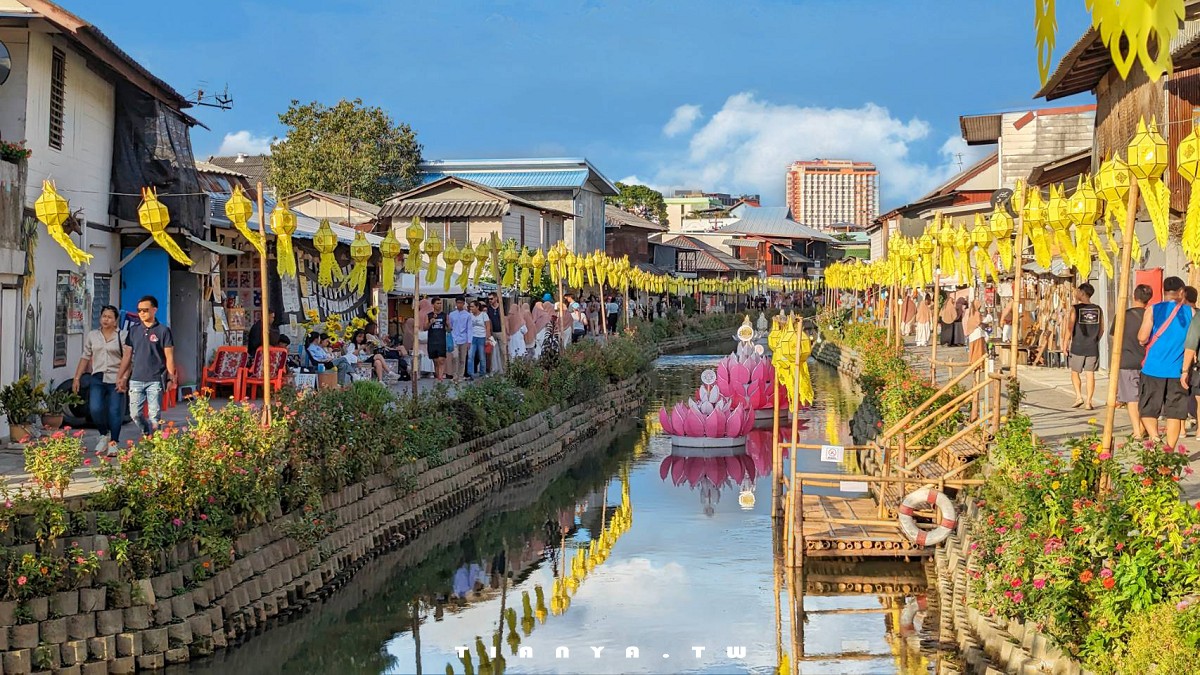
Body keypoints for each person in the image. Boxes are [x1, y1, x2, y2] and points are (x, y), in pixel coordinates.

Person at [1139, 276, 1192, 448]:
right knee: (1175, 413)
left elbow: (1142, 337)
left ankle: (1154, 438)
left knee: (1148, 408)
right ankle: (1169, 448)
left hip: (1153, 368)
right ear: (1181, 292)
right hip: (1177, 370)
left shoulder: (1153, 310)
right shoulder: (1190, 313)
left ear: (1163, 291)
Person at [116, 295, 176, 438]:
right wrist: (121, 376)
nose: (142, 313)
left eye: (145, 310)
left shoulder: (163, 331)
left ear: (154, 310)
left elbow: (169, 356)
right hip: (136, 378)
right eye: (139, 310)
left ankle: (155, 444)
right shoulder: (134, 331)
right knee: (135, 414)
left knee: (154, 415)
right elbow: (127, 356)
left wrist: (170, 378)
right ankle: (146, 431)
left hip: (155, 379)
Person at [73, 305, 124, 456]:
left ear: (115, 321)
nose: (106, 320)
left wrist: (124, 378)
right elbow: (85, 356)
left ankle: (114, 442)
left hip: (116, 377)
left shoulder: (123, 336)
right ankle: (103, 435)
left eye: (109, 317)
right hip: (98, 377)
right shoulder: (93, 335)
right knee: (95, 409)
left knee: (115, 411)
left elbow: (129, 359)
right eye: (104, 316)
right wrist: (77, 377)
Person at [1114, 284, 1152, 440]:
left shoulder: (1123, 316)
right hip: (1148, 362)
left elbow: (1114, 338)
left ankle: (1137, 431)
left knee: (1131, 398)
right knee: (1145, 397)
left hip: (1127, 361)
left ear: (1133, 296)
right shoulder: (1152, 315)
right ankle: (1143, 428)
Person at [1064, 283, 1103, 410]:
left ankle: (1079, 396)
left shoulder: (1075, 309)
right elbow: (1102, 329)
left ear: (1082, 293)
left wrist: (1065, 343)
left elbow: (1070, 328)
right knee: (1090, 373)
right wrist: (1095, 340)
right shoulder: (1098, 309)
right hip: (1092, 346)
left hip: (1078, 346)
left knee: (1075, 372)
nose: (1076, 293)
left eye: (1077, 291)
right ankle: (1089, 402)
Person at [448, 297, 472, 383]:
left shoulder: (467, 315)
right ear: (455, 303)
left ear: (464, 303)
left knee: (462, 358)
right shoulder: (451, 315)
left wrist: (469, 341)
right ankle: (455, 375)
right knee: (455, 357)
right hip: (454, 338)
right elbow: (449, 327)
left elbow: (469, 328)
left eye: (461, 303)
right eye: (458, 302)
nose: (459, 304)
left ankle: (461, 376)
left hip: (464, 338)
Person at [425, 297, 449, 381]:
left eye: (440, 303)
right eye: (437, 303)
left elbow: (449, 327)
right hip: (432, 340)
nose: (439, 305)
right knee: (435, 360)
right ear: (433, 305)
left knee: (441, 359)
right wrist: (430, 322)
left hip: (441, 340)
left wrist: (448, 325)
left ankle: (440, 377)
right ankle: (437, 375)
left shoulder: (444, 315)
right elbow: (424, 327)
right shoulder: (429, 315)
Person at [468, 301, 490, 379]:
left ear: (477, 307)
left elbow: (487, 327)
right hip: (472, 337)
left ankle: (482, 373)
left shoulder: (484, 315)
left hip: (481, 337)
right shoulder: (470, 315)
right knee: (471, 355)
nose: (471, 308)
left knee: (482, 356)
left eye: (472, 307)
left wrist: (487, 338)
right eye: (470, 307)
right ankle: (470, 373)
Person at [488, 293, 506, 374]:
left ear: (496, 298)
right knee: (491, 351)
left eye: (491, 299)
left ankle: (505, 369)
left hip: (501, 332)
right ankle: (492, 369)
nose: (490, 300)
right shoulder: (489, 309)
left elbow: (506, 319)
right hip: (492, 333)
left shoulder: (501, 308)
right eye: (489, 299)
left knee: (503, 351)